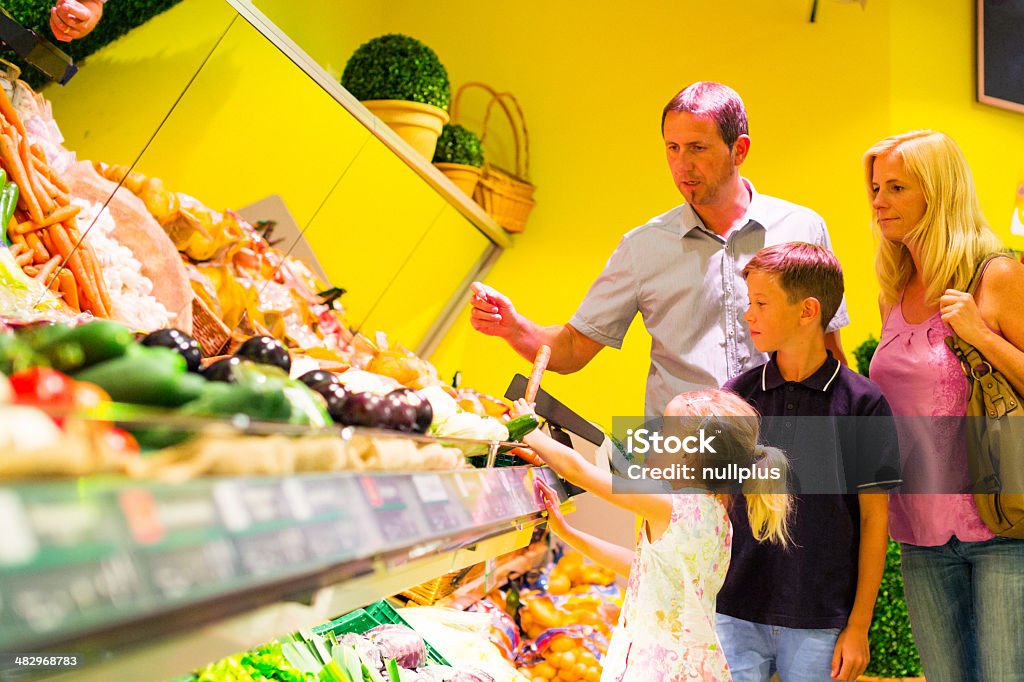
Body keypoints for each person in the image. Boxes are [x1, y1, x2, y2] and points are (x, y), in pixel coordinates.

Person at [471, 81, 850, 416]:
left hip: (784, 452)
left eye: (698, 148)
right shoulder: (643, 247)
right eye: (673, 148)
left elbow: (829, 352)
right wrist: (513, 326)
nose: (683, 165)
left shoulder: (802, 228)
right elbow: (573, 347)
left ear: (740, 150)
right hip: (682, 459)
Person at [865, 130, 1024, 681]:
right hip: (919, 535)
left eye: (896, 187)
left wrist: (981, 335)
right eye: (876, 187)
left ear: (938, 193)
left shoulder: (996, 275)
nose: (879, 201)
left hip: (1003, 528)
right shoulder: (894, 288)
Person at [513, 389, 792, 681]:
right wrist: (567, 533)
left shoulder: (667, 505)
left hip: (658, 668)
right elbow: (644, 571)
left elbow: (577, 470)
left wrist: (530, 430)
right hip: (690, 666)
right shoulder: (716, 515)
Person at [716, 243, 899, 682]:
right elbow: (716, 506)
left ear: (808, 311)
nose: (748, 315)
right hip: (734, 612)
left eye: (761, 303)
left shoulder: (863, 403)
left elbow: (876, 521)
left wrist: (858, 626)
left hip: (822, 620)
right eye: (749, 303)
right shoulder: (737, 397)